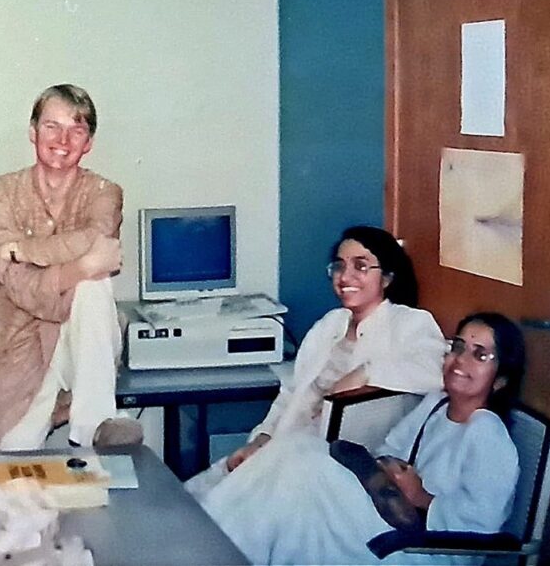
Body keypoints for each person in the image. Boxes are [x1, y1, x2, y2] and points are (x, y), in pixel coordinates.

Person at [198, 312, 526, 564]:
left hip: (421, 548)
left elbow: (482, 528)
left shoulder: (488, 433)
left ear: (500, 379)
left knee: (302, 471)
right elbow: (389, 449)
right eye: (458, 347)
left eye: (479, 355)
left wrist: (421, 496)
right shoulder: (436, 404)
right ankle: (210, 540)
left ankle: (206, 549)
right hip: (389, 516)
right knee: (296, 449)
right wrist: (391, 473)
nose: (461, 360)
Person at [0, 83, 141, 450]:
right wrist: (84, 264)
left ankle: (94, 423)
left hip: (81, 341)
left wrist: (20, 249)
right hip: (18, 347)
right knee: (13, 468)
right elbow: (21, 288)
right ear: (33, 133)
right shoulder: (0, 192)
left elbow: (96, 240)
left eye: (76, 130)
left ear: (89, 142)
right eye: (52, 126)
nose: (63, 139)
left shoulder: (104, 192)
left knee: (94, 285)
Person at [215, 225, 446, 474]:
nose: (345, 277)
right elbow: (292, 393)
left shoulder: (410, 322)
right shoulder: (330, 324)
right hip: (289, 442)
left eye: (361, 265)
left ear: (387, 277)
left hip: (339, 462)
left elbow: (435, 374)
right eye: (339, 266)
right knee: (209, 490)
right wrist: (261, 439)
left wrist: (364, 373)